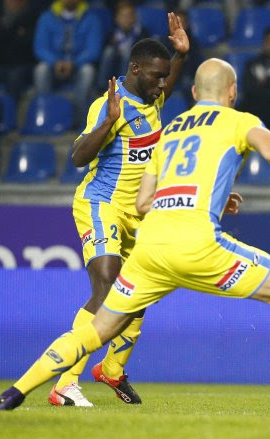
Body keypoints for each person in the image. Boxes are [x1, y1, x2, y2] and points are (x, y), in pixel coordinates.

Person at [0, 58, 270, 417]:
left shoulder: (168, 131)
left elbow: (142, 201)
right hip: (199, 247)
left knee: (97, 330)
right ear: (232, 92)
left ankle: (15, 391)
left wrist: (212, 196)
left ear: (192, 92)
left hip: (149, 252)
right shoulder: (239, 121)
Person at [47, 20, 190, 407]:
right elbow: (78, 157)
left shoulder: (152, 98)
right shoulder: (108, 106)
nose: (164, 85)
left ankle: (112, 369)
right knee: (108, 286)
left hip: (139, 213)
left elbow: (167, 84)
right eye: (157, 77)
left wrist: (180, 55)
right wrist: (108, 123)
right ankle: (65, 382)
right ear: (135, 70)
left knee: (139, 291)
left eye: (166, 78)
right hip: (101, 204)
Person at [33, 0, 105, 126]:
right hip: (54, 67)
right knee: (41, 69)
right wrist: (54, 62)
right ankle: (48, 115)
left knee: (88, 70)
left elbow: (93, 49)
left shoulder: (91, 19)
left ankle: (79, 119)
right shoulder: (47, 17)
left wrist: (74, 63)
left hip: (78, 67)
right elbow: (40, 47)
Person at [97, 0, 150, 92]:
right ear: (116, 19)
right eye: (122, 16)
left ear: (134, 18)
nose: (126, 19)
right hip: (114, 64)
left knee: (127, 53)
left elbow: (144, 53)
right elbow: (102, 50)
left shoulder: (142, 33)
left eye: (129, 16)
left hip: (134, 66)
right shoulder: (111, 33)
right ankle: (101, 87)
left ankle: (124, 87)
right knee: (108, 51)